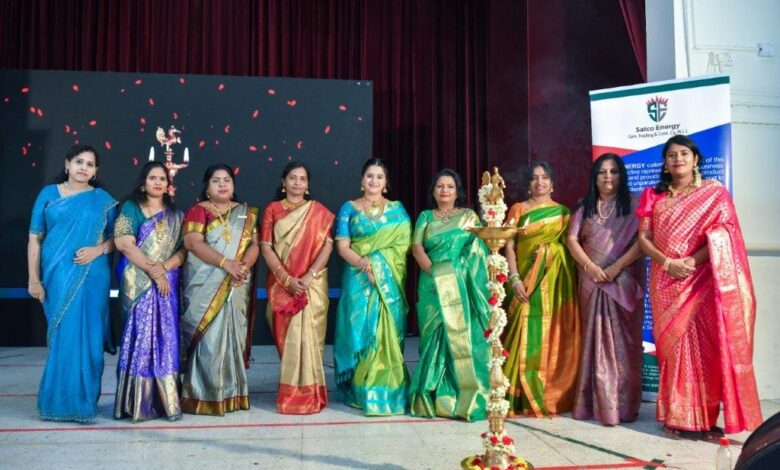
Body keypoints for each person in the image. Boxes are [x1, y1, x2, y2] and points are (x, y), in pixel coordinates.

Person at [637, 134, 761, 438]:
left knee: (706, 349)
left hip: (701, 279)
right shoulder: (653, 195)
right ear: (665, 163)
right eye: (671, 155)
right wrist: (668, 262)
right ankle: (677, 417)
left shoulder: (714, 193)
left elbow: (726, 233)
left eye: (684, 153)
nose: (677, 159)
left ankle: (704, 418)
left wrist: (691, 261)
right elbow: (644, 238)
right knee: (674, 348)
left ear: (695, 159)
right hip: (665, 280)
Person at [27, 144, 118, 422]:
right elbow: (35, 238)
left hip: (93, 275)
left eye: (90, 164)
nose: (83, 168)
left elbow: (118, 240)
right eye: (79, 162)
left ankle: (84, 404)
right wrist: (33, 279)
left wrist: (97, 250)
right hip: (57, 274)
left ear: (96, 171)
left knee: (90, 338)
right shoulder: (48, 194)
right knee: (63, 336)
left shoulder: (102, 199)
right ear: (67, 164)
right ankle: (57, 403)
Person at [566, 154, 644, 426]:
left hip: (623, 280)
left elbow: (644, 241)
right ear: (594, 177)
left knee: (625, 343)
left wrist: (615, 267)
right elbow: (572, 239)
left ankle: (624, 406)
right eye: (602, 172)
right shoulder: (584, 206)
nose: (608, 177)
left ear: (621, 175)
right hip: (591, 281)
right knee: (593, 341)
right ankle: (595, 404)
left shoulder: (635, 204)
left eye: (613, 171)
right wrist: (590, 267)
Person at [408, 169, 491, 421]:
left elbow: (478, 250)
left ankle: (463, 395)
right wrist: (436, 272)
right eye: (440, 186)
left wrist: (456, 272)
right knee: (433, 335)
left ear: (457, 192)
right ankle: (431, 395)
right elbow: (416, 247)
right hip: (432, 283)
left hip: (460, 284)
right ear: (433, 192)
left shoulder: (468, 216)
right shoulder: (425, 216)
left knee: (461, 335)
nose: (445, 190)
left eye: (450, 186)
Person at [333, 158, 412, 416]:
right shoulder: (348, 209)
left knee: (385, 334)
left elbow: (402, 246)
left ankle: (388, 389)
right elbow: (342, 247)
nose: (374, 181)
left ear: (386, 182)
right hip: (357, 279)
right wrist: (366, 266)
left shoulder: (397, 211)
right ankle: (360, 389)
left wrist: (378, 267)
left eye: (379, 176)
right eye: (369, 175)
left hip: (388, 281)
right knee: (358, 331)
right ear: (362, 180)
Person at [502, 161, 580, 417]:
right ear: (528, 183)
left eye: (545, 177)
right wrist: (515, 278)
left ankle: (543, 391)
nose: (539, 182)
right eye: (534, 178)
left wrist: (549, 253)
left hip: (553, 284)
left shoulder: (562, 213)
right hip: (522, 283)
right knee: (521, 331)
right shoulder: (518, 209)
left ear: (552, 183)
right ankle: (516, 395)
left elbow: (567, 249)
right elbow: (508, 246)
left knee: (546, 334)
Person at [180, 164, 260, 415]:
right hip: (206, 286)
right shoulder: (198, 211)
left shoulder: (246, 213)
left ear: (233, 185)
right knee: (209, 339)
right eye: (216, 181)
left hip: (237, 283)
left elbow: (255, 245)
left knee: (234, 338)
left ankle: (233, 394)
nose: (222, 185)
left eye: (227, 180)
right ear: (207, 186)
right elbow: (192, 243)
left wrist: (242, 267)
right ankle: (202, 396)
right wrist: (226, 264)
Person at [113, 162, 186, 421]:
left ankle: (167, 402)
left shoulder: (177, 215)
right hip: (138, 280)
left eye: (162, 179)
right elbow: (123, 243)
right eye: (152, 178)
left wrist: (164, 268)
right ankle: (137, 403)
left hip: (167, 283)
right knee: (140, 336)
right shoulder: (131, 207)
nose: (157, 182)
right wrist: (153, 271)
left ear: (168, 185)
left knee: (166, 338)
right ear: (143, 183)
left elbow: (184, 250)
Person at [260, 162, 335, 414]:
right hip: (282, 286)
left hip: (312, 285)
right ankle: (291, 393)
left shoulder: (318, 212)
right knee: (287, 342)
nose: (297, 183)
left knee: (311, 341)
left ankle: (311, 395)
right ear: (284, 182)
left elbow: (328, 245)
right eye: (292, 178)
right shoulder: (272, 210)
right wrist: (286, 279)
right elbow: (266, 247)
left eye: (302, 179)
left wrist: (309, 276)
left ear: (308, 184)